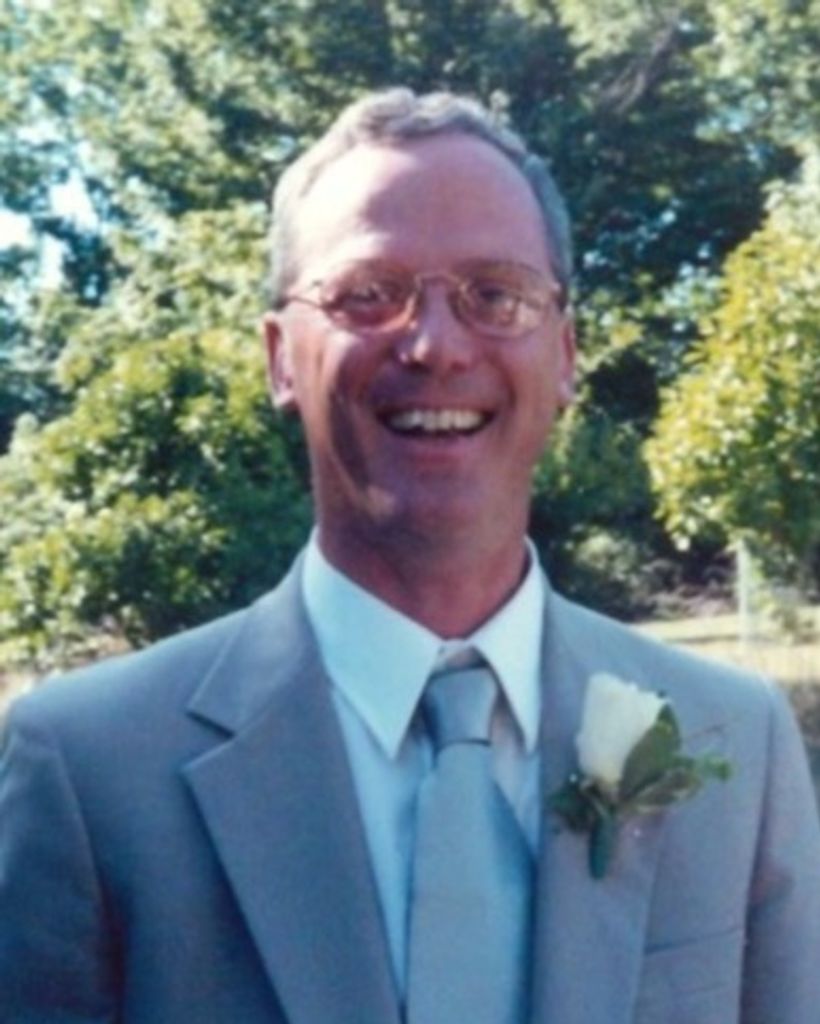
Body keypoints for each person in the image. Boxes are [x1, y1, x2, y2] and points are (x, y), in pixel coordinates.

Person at [1, 88, 818, 1024]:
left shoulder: (733, 737)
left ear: (564, 355)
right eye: (368, 295)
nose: (434, 345)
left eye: (496, 295)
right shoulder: (89, 768)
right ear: (279, 356)